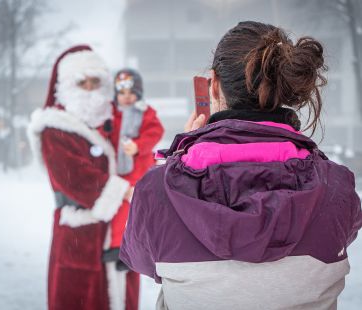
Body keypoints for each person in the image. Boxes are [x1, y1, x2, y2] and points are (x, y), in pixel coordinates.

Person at [119, 21, 362, 309]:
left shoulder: (157, 190)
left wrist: (177, 160)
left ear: (214, 85)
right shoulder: (336, 186)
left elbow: (143, 259)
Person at [28, 45, 132, 310]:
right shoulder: (55, 127)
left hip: (121, 236)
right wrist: (124, 191)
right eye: (81, 82)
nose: (89, 88)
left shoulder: (119, 120)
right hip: (78, 234)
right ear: (66, 87)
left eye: (95, 81)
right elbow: (74, 178)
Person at [102, 68, 164, 309]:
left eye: (131, 92)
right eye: (122, 93)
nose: (126, 97)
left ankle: (131, 252)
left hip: (138, 170)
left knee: (134, 214)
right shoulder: (112, 114)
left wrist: (138, 145)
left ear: (138, 93)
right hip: (118, 172)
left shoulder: (145, 113)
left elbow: (155, 131)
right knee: (118, 213)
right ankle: (116, 248)